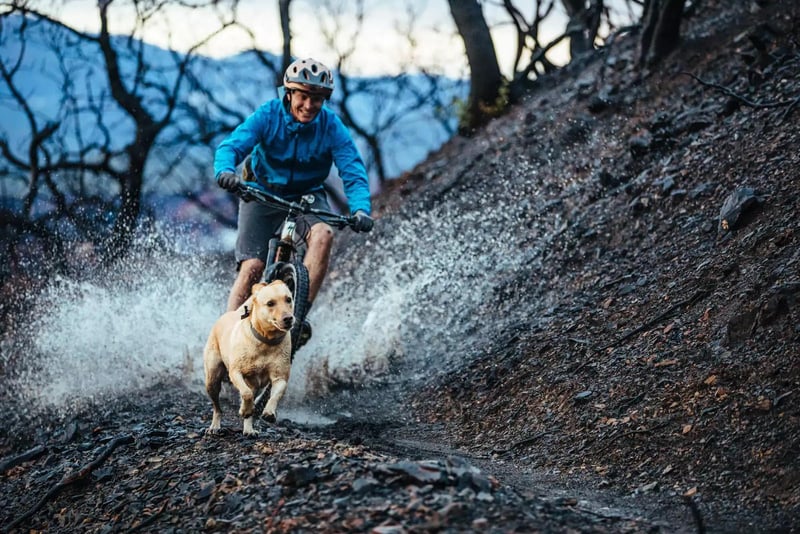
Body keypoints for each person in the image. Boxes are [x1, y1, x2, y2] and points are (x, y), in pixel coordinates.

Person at [214, 57, 374, 347]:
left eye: (317, 99)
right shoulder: (268, 115)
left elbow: (352, 170)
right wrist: (225, 170)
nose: (309, 106)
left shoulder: (330, 126)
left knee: (324, 235)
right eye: (303, 97)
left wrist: (361, 208)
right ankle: (226, 338)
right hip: (261, 190)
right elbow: (232, 145)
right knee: (252, 266)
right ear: (289, 93)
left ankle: (299, 319)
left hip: (307, 195)